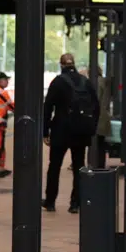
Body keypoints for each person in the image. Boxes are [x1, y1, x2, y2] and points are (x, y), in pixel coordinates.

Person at [42, 53, 99, 214]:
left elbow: (48, 107)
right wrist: (90, 129)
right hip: (80, 132)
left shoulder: (58, 82)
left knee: (54, 166)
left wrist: (45, 131)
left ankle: (50, 201)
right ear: (74, 64)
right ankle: (76, 203)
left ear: (61, 65)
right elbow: (96, 107)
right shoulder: (85, 82)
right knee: (79, 166)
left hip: (61, 130)